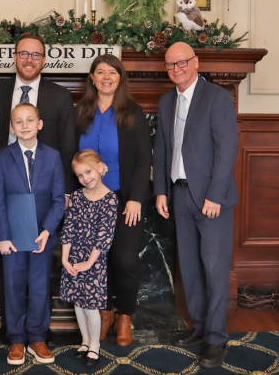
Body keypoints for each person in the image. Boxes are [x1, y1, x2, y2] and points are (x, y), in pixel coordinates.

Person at [154, 42, 238, 368]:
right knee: (189, 266)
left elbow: (227, 149)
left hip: (211, 199)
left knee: (214, 269)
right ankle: (200, 327)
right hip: (179, 194)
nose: (176, 69)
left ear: (195, 62)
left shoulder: (217, 98)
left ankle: (216, 339)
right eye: (170, 65)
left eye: (182, 63)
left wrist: (215, 195)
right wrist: (161, 191)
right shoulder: (165, 101)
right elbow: (161, 148)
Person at [76, 54, 152, 346]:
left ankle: (124, 316)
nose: (106, 77)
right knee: (97, 261)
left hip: (122, 199)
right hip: (88, 200)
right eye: (100, 72)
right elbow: (71, 153)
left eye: (113, 72)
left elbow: (144, 157)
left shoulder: (132, 112)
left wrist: (135, 199)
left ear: (121, 78)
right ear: (92, 78)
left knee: (125, 259)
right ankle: (104, 313)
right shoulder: (80, 111)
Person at [0, 103, 65, 365]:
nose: (24, 126)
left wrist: (47, 230)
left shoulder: (53, 156)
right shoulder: (2, 156)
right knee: (13, 286)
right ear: (12, 127)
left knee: (39, 286)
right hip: (11, 236)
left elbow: (58, 199)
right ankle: (16, 339)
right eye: (18, 122)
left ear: (39, 124)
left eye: (29, 120)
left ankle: (37, 337)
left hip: (42, 236)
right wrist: (1, 236)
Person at [0, 34, 76, 195]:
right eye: (23, 54)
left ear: (43, 60)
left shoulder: (60, 96)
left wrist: (66, 191)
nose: (29, 59)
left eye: (36, 55)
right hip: (3, 181)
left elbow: (68, 146)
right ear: (15, 57)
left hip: (46, 185)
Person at [60, 149, 118, 367]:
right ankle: (85, 341)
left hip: (93, 260)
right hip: (75, 256)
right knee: (78, 301)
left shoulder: (110, 199)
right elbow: (69, 229)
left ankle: (95, 346)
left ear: (100, 168)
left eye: (88, 171)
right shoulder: (76, 197)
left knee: (90, 304)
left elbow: (105, 235)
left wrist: (89, 262)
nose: (85, 178)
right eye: (80, 175)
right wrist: (66, 259)